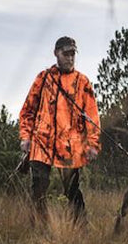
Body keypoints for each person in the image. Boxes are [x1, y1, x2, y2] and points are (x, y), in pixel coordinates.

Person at [19, 35, 101, 223]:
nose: (70, 58)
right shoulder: (43, 78)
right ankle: (39, 229)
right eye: (66, 54)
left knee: (71, 189)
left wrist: (92, 144)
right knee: (38, 187)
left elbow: (92, 116)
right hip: (42, 143)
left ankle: (80, 228)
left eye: (73, 54)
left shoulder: (83, 82)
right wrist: (26, 137)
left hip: (70, 145)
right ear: (56, 53)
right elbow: (27, 110)